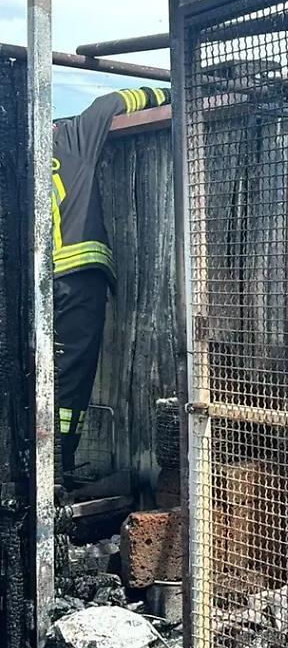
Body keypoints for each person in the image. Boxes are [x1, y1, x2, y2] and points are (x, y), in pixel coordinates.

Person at [52, 85, 171, 481]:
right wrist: (170, 92)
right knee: (68, 381)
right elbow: (114, 102)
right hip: (78, 280)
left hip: (25, 292)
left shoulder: (13, 154)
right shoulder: (69, 136)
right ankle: (56, 469)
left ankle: (42, 467)